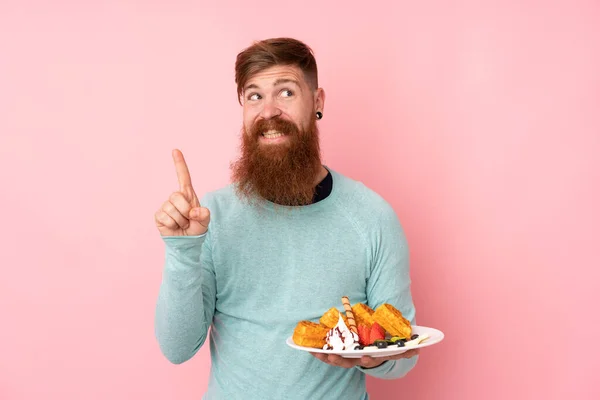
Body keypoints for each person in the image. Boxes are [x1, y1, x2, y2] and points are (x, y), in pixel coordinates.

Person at [154, 37, 419, 400]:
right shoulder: (208, 219)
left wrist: (372, 358)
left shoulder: (372, 217)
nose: (269, 112)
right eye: (255, 96)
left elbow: (402, 357)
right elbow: (177, 348)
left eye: (286, 93)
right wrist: (183, 249)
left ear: (318, 102)